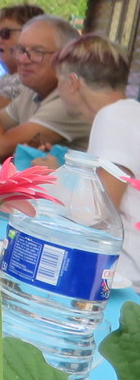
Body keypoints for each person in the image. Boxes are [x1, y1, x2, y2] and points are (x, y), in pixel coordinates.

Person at [48, 34, 140, 281]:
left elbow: (98, 212)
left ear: (72, 83)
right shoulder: (129, 114)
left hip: (123, 274)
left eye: (58, 81)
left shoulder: (113, 117)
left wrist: (54, 179)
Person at [0, 14, 90, 161]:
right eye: (21, 50)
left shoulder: (69, 100)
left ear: (65, 59)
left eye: (37, 52)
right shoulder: (31, 91)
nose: (22, 60)